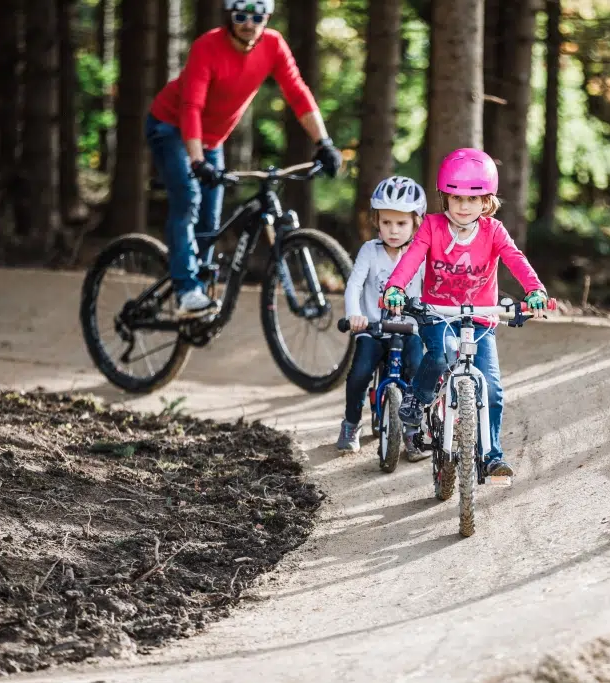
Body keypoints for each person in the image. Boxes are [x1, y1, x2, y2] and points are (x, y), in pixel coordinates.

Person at [146, 0, 343, 318]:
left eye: (257, 16)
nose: (248, 24)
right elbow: (191, 107)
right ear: (228, 16)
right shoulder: (207, 47)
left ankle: (202, 290)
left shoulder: (274, 45)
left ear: (266, 17)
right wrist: (197, 162)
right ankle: (186, 292)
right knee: (189, 200)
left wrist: (324, 143)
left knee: (211, 219)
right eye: (240, 15)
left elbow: (297, 92)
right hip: (171, 127)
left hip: (211, 139)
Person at [381, 149, 549, 478]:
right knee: (442, 357)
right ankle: (417, 398)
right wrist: (396, 288)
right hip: (438, 314)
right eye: (455, 198)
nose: (463, 206)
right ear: (444, 197)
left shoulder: (494, 231)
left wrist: (535, 290)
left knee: (492, 389)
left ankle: (491, 456)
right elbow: (411, 258)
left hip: (481, 319)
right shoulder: (431, 227)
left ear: (486, 201)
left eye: (472, 200)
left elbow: (516, 259)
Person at [337, 176, 428, 458]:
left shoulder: (420, 254)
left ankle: (413, 432)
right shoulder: (370, 251)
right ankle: (351, 424)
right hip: (373, 328)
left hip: (408, 329)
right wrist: (355, 315)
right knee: (359, 374)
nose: (393, 230)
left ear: (416, 222)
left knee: (417, 369)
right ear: (376, 221)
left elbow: (429, 289)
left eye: (401, 223)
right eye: (386, 222)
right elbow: (354, 285)